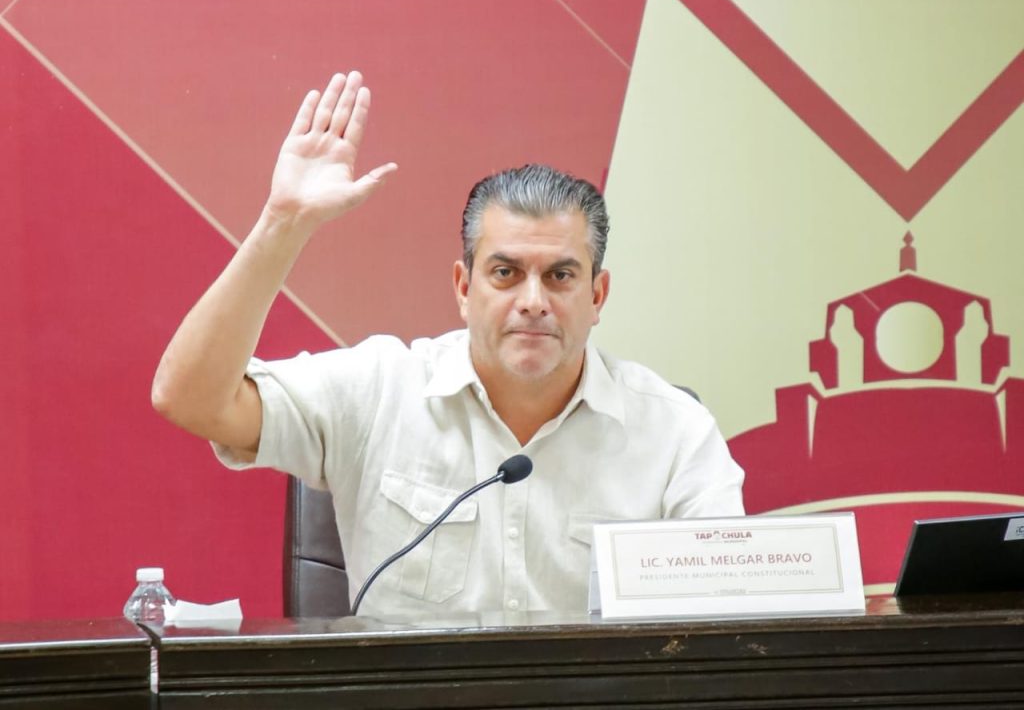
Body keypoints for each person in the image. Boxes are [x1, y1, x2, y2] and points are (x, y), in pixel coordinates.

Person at [152, 70, 744, 619]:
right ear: (464, 288)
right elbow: (190, 400)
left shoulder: (674, 434)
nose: (533, 301)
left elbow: (730, 627)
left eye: (560, 276)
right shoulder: (379, 390)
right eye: (505, 273)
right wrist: (284, 222)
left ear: (597, 295)